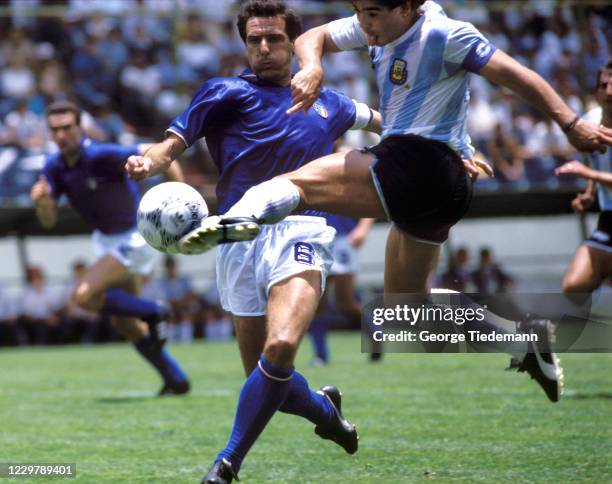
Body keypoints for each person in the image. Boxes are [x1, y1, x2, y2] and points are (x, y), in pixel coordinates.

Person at [177, 1, 612, 404]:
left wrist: (570, 122)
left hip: (417, 164)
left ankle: (233, 222)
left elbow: (515, 75)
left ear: (406, 8)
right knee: (405, 309)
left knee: (293, 184)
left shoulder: (445, 34)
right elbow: (314, 37)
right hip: (438, 182)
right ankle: (521, 336)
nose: (365, 25)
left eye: (371, 14)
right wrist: (311, 67)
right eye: (359, 12)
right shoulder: (378, 23)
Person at [125, 1, 381, 481]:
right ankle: (328, 415)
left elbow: (387, 124)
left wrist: (450, 149)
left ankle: (227, 465)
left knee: (281, 346)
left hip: (302, 230)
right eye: (253, 40)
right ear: (244, 44)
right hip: (236, 236)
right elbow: (174, 141)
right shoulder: (222, 92)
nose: (263, 48)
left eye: (274, 39)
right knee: (264, 379)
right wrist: (149, 162)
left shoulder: (331, 102)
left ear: (293, 42)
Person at [31, 99, 190, 396]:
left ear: (81, 127)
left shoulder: (102, 154)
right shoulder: (54, 167)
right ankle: (175, 378)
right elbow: (49, 220)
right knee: (125, 322)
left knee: (83, 295)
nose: (62, 134)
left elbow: (168, 157)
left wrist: (182, 201)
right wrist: (42, 202)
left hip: (134, 238)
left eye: (67, 127)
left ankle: (156, 311)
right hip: (106, 243)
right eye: (55, 129)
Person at [555, 61, 612, 294]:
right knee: (574, 288)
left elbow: (589, 168)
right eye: (604, 85)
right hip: (609, 218)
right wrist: (589, 193)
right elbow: (593, 159)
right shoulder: (590, 120)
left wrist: (586, 173)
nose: (609, 91)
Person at [309, 215, 374, 364]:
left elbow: (369, 199)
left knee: (344, 302)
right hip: (315, 237)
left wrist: (363, 228)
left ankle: (376, 332)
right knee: (316, 302)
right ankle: (320, 355)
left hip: (343, 238)